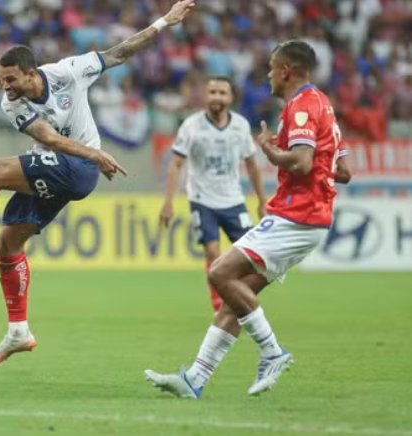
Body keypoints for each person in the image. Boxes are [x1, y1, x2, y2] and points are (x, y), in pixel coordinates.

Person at [0, 0, 196, 367]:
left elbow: (120, 52)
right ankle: (18, 330)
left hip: (79, 168)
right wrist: (96, 155)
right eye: (1, 80)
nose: (5, 88)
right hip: (66, 164)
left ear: (32, 73)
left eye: (11, 79)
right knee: (7, 244)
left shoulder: (68, 71)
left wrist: (164, 22)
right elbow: (50, 139)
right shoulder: (12, 105)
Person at [145, 40, 352, 398]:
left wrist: (272, 151)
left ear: (286, 70)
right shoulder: (324, 104)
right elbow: (343, 170)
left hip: (297, 215)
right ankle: (195, 379)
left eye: (272, 68)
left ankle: (272, 351)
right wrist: (307, 164)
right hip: (310, 217)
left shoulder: (301, 106)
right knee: (233, 297)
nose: (269, 75)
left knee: (219, 272)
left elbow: (301, 162)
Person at [160, 76, 267, 312]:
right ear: (205, 96)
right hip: (202, 201)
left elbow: (251, 165)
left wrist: (262, 201)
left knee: (250, 256)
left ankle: (237, 293)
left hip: (234, 200)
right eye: (213, 92)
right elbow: (176, 164)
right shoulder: (191, 126)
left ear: (230, 98)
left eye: (222, 93)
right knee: (212, 251)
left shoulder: (240, 125)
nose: (217, 97)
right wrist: (168, 203)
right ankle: (220, 303)